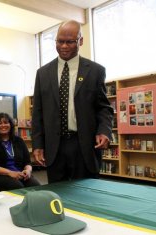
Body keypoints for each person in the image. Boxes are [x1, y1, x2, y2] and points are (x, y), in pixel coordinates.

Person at [31, 20, 114, 183]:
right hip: (54, 146)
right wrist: (37, 144)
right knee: (57, 197)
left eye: (70, 42)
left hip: (84, 146)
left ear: (80, 41)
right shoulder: (43, 73)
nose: (64, 46)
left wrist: (104, 131)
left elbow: (103, 108)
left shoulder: (96, 71)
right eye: (60, 41)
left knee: (87, 195)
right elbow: (38, 112)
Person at [0, 113, 40, 191]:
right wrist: (10, 173)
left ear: (11, 125)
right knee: (18, 187)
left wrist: (28, 171)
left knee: (36, 186)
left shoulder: (19, 141)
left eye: (6, 122)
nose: (3, 125)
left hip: (19, 173)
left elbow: (27, 162)